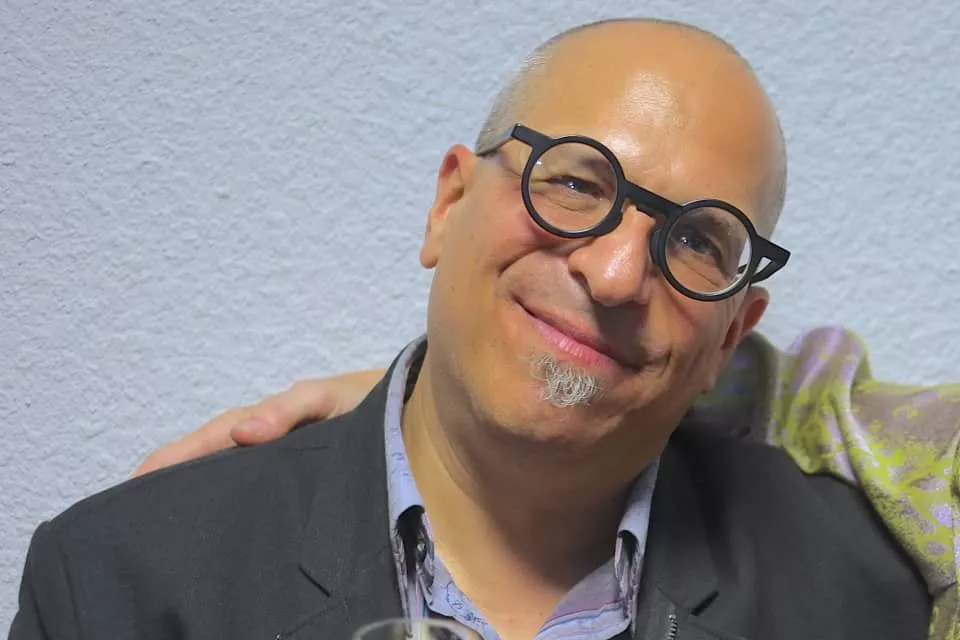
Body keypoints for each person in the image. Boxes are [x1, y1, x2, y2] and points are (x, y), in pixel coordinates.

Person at [10, 18, 931, 640]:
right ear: (449, 205)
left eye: (696, 241)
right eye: (578, 183)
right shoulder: (119, 584)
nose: (615, 275)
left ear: (733, 336)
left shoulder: (864, 596)